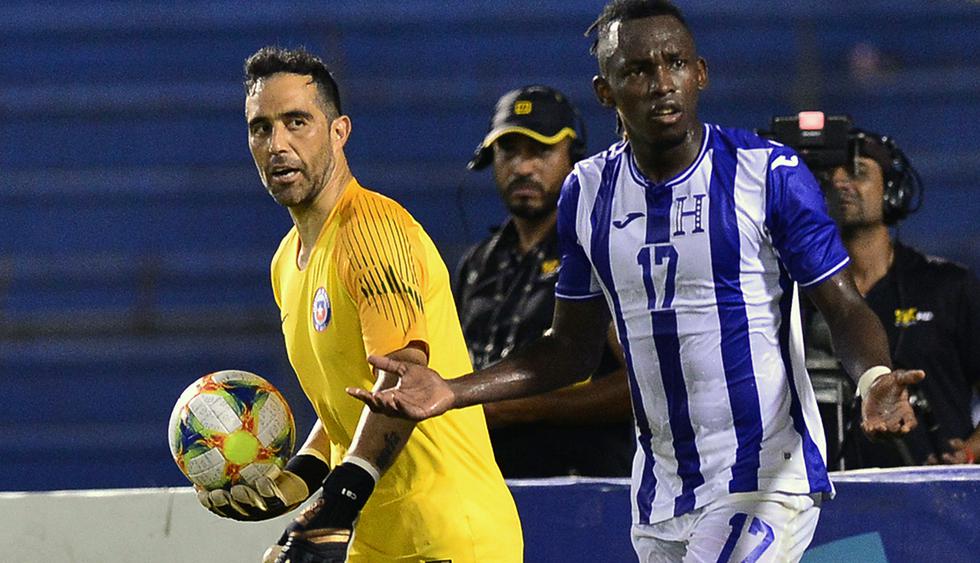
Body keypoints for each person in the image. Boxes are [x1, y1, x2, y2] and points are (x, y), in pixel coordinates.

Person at [349, 2, 925, 561]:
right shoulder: (587, 192)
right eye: (639, 69)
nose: (662, 83)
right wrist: (455, 390)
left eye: (676, 63)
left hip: (763, 477)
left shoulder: (767, 172)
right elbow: (570, 349)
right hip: (660, 495)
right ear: (606, 91)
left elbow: (843, 305)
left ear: (700, 74)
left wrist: (873, 377)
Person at [196, 46, 522, 563]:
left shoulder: (372, 231)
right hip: (377, 537)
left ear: (339, 131)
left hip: (449, 532)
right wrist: (297, 480)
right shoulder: (285, 262)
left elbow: (402, 382)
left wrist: (336, 504)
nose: (277, 144)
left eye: (296, 122)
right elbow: (350, 401)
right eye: (261, 128)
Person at [456, 85, 634, 477]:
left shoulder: (596, 249)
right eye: (509, 151)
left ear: (573, 158)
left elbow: (642, 384)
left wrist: (525, 407)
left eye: (540, 151)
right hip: (487, 488)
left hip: (583, 491)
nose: (523, 167)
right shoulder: (477, 263)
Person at [810, 129, 980, 468]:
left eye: (857, 171)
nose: (840, 182)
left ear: (892, 189)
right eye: (828, 177)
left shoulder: (947, 286)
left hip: (928, 493)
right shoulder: (795, 293)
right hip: (825, 492)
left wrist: (969, 453)